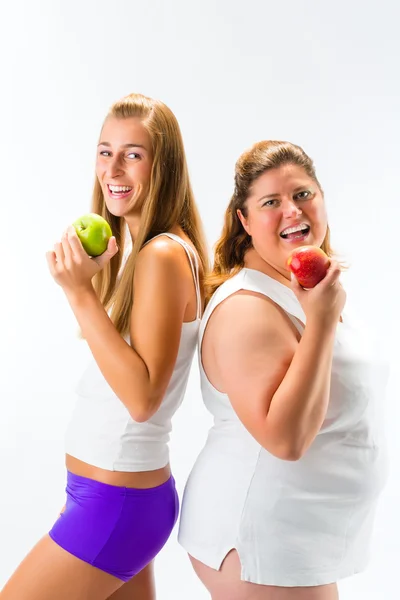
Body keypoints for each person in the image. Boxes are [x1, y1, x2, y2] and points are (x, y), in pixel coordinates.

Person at [1, 92, 208, 600]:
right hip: (114, 500)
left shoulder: (162, 254)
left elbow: (142, 400)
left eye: (133, 154)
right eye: (104, 150)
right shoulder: (153, 251)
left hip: (115, 505)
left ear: (164, 166)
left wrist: (77, 292)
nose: (112, 168)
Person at [178, 140, 389, 600]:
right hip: (259, 536)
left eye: (303, 194)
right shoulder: (246, 309)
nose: (292, 210)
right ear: (244, 221)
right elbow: (285, 439)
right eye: (271, 202)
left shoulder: (304, 288)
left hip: (298, 535)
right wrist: (319, 323)